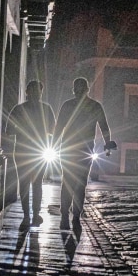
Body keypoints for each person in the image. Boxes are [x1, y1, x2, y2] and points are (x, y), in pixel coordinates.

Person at [53, 77, 113, 229]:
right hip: (84, 150)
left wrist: (53, 145)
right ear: (88, 89)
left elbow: (59, 128)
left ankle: (66, 216)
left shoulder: (67, 105)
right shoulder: (95, 106)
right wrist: (107, 144)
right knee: (80, 183)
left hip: (68, 149)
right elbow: (104, 127)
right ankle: (75, 216)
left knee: (68, 182)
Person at [5, 80, 57, 229]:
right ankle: (35, 215)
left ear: (27, 92)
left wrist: (22, 129)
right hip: (39, 150)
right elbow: (53, 130)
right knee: (37, 184)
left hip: (22, 151)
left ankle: (26, 216)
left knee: (24, 185)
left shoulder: (18, 109)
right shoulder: (47, 109)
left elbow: (8, 131)